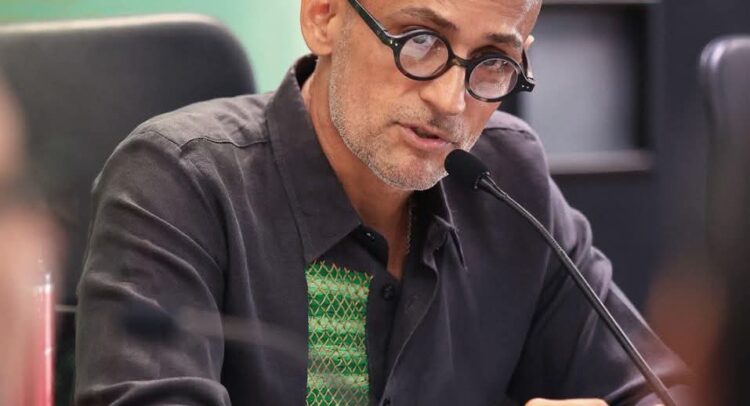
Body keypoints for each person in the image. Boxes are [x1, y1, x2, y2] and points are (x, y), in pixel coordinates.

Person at [75, 0, 690, 405]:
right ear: (323, 15)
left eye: (493, 62)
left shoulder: (510, 180)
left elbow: (661, 391)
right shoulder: (177, 180)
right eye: (420, 40)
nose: (451, 100)